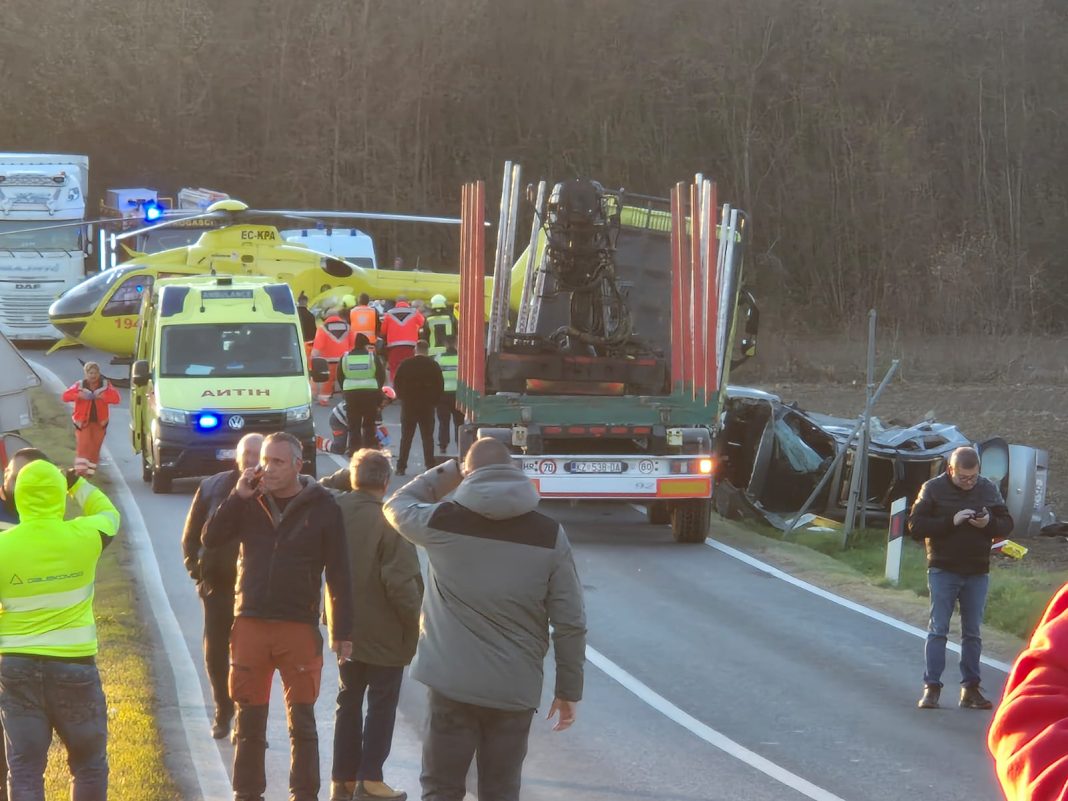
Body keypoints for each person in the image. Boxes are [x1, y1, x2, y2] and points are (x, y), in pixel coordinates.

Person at [384, 438, 586, 801]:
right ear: (515, 473)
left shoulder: (441, 521)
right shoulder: (550, 534)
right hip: (513, 689)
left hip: (451, 683)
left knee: (441, 788)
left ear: (468, 473)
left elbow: (396, 504)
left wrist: (447, 472)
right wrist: (568, 689)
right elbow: (570, 621)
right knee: (501, 790)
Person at [203, 432, 353, 801]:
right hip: (251, 621)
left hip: (297, 626)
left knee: (302, 722)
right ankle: (247, 792)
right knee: (250, 720)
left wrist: (343, 630)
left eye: (277, 462)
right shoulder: (247, 500)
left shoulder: (324, 507)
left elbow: (339, 572)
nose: (266, 469)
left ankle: (304, 794)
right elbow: (210, 537)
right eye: (264, 461)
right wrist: (237, 498)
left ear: (298, 466)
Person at [0, 459, 121, 801]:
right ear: (58, 496)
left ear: (18, 496)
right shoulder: (84, 535)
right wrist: (76, 484)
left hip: (16, 667)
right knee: (88, 764)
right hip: (75, 666)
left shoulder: (3, 546)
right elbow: (110, 514)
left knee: (24, 767)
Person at [329, 450, 423, 801]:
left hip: (345, 628)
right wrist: (415, 625)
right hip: (384, 632)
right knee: (382, 706)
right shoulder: (389, 519)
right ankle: (370, 779)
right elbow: (400, 583)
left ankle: (342, 779)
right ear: (386, 482)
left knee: (347, 702)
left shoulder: (336, 510)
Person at [908, 445, 1013, 710]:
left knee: (973, 633)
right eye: (963, 478)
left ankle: (971, 690)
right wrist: (951, 520)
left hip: (977, 569)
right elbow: (915, 526)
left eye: (973, 477)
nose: (968, 483)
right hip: (943, 567)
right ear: (950, 470)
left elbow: (1007, 523)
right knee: (938, 629)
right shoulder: (932, 488)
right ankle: (931, 688)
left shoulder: (988, 488)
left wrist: (987, 522)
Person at [181, 433, 264, 741]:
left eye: (260, 455)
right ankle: (222, 710)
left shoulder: (274, 490)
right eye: (249, 454)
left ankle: (247, 717)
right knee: (216, 652)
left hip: (256, 589)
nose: (254, 461)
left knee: (251, 657)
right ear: (238, 457)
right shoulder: (213, 486)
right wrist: (198, 572)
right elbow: (191, 536)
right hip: (218, 585)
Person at [989, 583, 1068, 800]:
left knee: (970, 634)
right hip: (947, 570)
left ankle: (969, 685)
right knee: (942, 628)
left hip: (975, 574)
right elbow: (1033, 714)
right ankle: (938, 685)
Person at [392, 340, 443, 477]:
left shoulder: (406, 364)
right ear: (427, 350)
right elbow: (440, 385)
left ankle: (401, 467)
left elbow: (396, 382)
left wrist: (402, 397)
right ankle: (430, 465)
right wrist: (434, 402)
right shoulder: (433, 365)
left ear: (415, 349)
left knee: (406, 437)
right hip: (427, 406)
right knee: (427, 437)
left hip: (409, 405)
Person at [61, 362, 120, 465]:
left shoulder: (105, 385)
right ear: (86, 374)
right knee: (83, 448)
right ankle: (81, 473)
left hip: (100, 423)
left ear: (99, 373)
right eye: (90, 373)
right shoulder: (79, 385)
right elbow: (65, 396)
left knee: (95, 449)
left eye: (95, 373)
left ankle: (90, 473)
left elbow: (116, 399)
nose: (93, 375)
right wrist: (78, 395)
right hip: (83, 423)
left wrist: (103, 396)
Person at [338, 333, 386, 456]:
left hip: (351, 394)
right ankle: (368, 449)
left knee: (354, 424)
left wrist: (346, 389)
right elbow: (381, 374)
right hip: (370, 394)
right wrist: (377, 389)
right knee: (369, 424)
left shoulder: (345, 357)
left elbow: (340, 376)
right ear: (365, 345)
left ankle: (354, 450)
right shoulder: (372, 357)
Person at [311, 308, 354, 405]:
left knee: (328, 380)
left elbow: (318, 346)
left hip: (328, 360)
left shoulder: (323, 328)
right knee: (345, 379)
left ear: (327, 317)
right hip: (344, 358)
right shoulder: (347, 327)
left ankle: (324, 399)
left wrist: (313, 357)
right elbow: (352, 344)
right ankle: (348, 398)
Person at [379, 296, 424, 385]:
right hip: (410, 347)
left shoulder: (389, 313)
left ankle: (395, 391)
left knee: (395, 369)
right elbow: (422, 322)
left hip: (394, 348)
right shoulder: (414, 312)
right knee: (410, 369)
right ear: (407, 302)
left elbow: (383, 331)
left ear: (396, 302)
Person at [434, 337, 462, 455]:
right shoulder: (461, 358)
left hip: (443, 394)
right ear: (456, 343)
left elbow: (434, 377)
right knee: (459, 422)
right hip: (458, 393)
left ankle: (443, 446)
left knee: (443, 422)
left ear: (445, 344)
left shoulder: (439, 358)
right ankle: (460, 445)